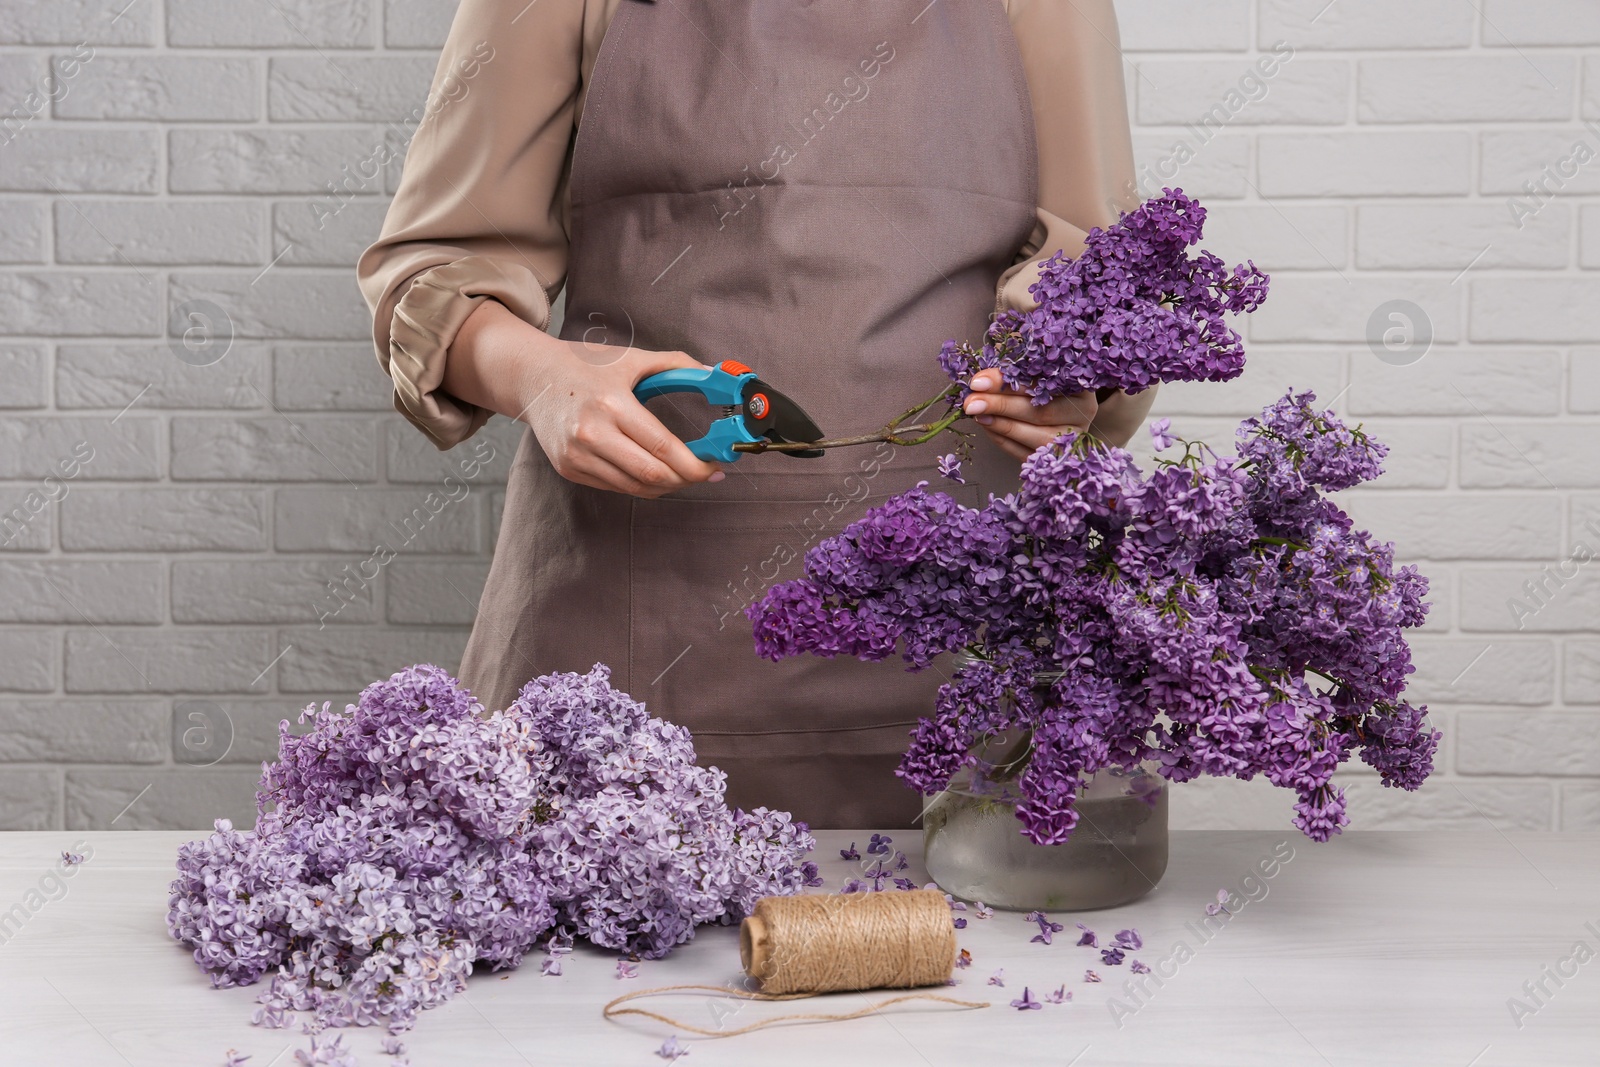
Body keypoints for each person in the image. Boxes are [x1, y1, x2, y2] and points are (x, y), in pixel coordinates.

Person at [356, 0, 1156, 829]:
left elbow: (1107, 274)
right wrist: (544, 379)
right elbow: (431, 271)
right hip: (623, 652)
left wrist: (1072, 383)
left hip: (965, 671)